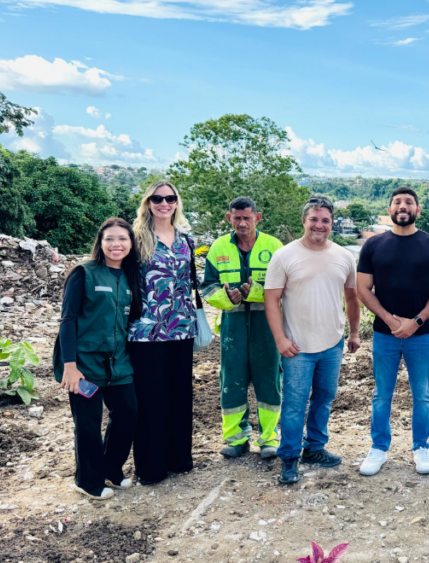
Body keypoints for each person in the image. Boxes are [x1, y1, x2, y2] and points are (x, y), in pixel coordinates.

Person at [265, 195, 360, 485]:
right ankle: (289, 458)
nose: (319, 225)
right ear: (304, 221)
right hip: (297, 347)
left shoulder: (343, 256)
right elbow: (272, 300)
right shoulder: (285, 255)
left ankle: (314, 449)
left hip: (332, 343)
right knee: (294, 405)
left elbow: (352, 296)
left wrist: (354, 332)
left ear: (332, 223)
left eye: (325, 221)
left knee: (324, 399)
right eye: (314, 220)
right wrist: (280, 339)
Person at [356, 187, 429, 477]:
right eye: (397, 202)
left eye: (409, 202)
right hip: (385, 335)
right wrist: (390, 319)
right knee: (382, 394)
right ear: (389, 209)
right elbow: (363, 289)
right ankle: (379, 448)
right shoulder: (373, 245)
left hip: (421, 336)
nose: (403, 206)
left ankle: (421, 447)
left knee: (422, 394)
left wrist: (415, 322)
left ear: (417, 210)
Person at [54, 218, 143, 500]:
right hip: (84, 363)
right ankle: (87, 480)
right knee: (88, 424)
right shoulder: (84, 273)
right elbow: (67, 321)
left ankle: (111, 468)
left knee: (128, 415)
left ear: (131, 243)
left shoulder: (131, 277)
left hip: (118, 362)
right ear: (100, 243)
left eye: (122, 239)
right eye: (110, 239)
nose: (116, 244)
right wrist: (70, 366)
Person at [200, 197, 285, 460]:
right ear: (229, 218)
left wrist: (256, 292)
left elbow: (286, 288)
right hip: (232, 330)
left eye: (247, 217)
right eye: (237, 217)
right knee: (232, 382)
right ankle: (236, 438)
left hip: (267, 328)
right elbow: (208, 287)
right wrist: (228, 298)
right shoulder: (218, 247)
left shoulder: (274, 247)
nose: (242, 222)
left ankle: (269, 439)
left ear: (257, 218)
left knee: (269, 381)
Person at [128, 181, 199, 485]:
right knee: (151, 398)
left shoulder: (187, 239)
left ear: (176, 203)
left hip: (182, 326)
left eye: (170, 198)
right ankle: (151, 466)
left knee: (180, 396)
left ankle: (179, 459)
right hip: (147, 330)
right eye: (157, 198)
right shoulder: (136, 238)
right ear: (148, 203)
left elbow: (191, 281)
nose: (164, 203)